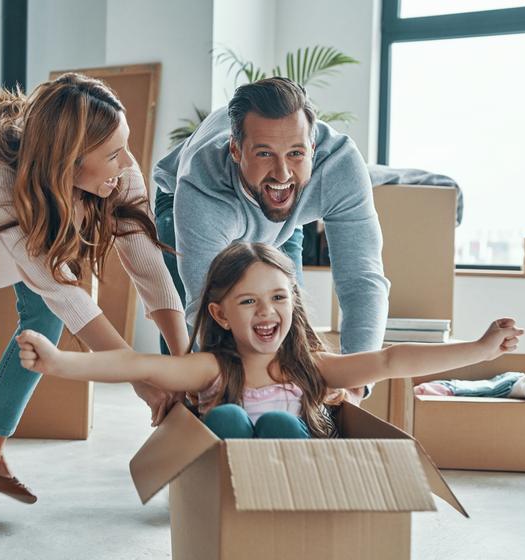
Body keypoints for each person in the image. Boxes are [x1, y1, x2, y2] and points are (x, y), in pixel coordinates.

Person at [0, 73, 189, 503]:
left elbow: (149, 266)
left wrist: (183, 366)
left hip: (21, 232)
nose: (129, 164)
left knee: (44, 330)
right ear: (70, 162)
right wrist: (141, 378)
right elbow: (65, 292)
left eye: (125, 146)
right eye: (114, 155)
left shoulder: (116, 172)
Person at [16, 242, 524, 439]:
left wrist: (479, 350)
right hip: (225, 492)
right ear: (219, 313)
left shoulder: (313, 368)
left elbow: (392, 359)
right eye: (248, 302)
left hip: (294, 488)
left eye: (279, 298)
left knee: (282, 419)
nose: (267, 312)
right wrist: (60, 363)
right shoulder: (212, 367)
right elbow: (139, 367)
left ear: (293, 303)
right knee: (229, 417)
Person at [153, 77, 391, 404]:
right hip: (182, 202)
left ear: (313, 148)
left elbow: (362, 280)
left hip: (282, 216)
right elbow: (206, 305)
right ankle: (182, 412)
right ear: (235, 150)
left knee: (289, 319)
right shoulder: (202, 184)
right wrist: (228, 390)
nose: (282, 172)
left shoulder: (340, 167)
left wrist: (354, 385)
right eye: (265, 153)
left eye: (296, 153)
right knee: (191, 342)